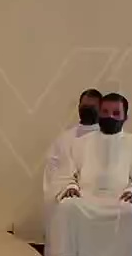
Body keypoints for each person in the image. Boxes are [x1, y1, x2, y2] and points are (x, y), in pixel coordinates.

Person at [46, 92, 132, 256]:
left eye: (116, 113)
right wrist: (70, 186)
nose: (110, 117)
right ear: (99, 112)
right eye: (105, 112)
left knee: (130, 213)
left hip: (119, 200)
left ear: (125, 116)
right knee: (68, 207)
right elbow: (66, 173)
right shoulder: (79, 144)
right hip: (87, 198)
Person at [42, 89, 103, 225]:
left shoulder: (108, 139)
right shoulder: (64, 139)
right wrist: (68, 186)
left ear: (101, 109)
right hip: (70, 195)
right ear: (79, 108)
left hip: (99, 197)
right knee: (69, 207)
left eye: (92, 108)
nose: (87, 111)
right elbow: (54, 170)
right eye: (85, 107)